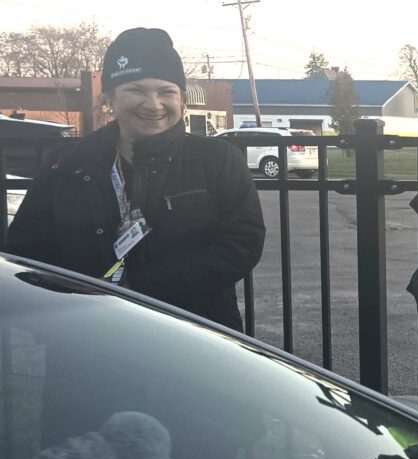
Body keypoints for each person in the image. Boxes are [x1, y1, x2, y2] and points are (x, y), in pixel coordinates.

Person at [3, 27, 265, 332]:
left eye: (166, 92)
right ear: (111, 98)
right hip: (86, 332)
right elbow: (27, 250)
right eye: (136, 90)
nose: (153, 104)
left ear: (181, 99)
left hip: (196, 335)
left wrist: (138, 287)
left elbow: (242, 244)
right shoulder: (66, 163)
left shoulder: (218, 160)